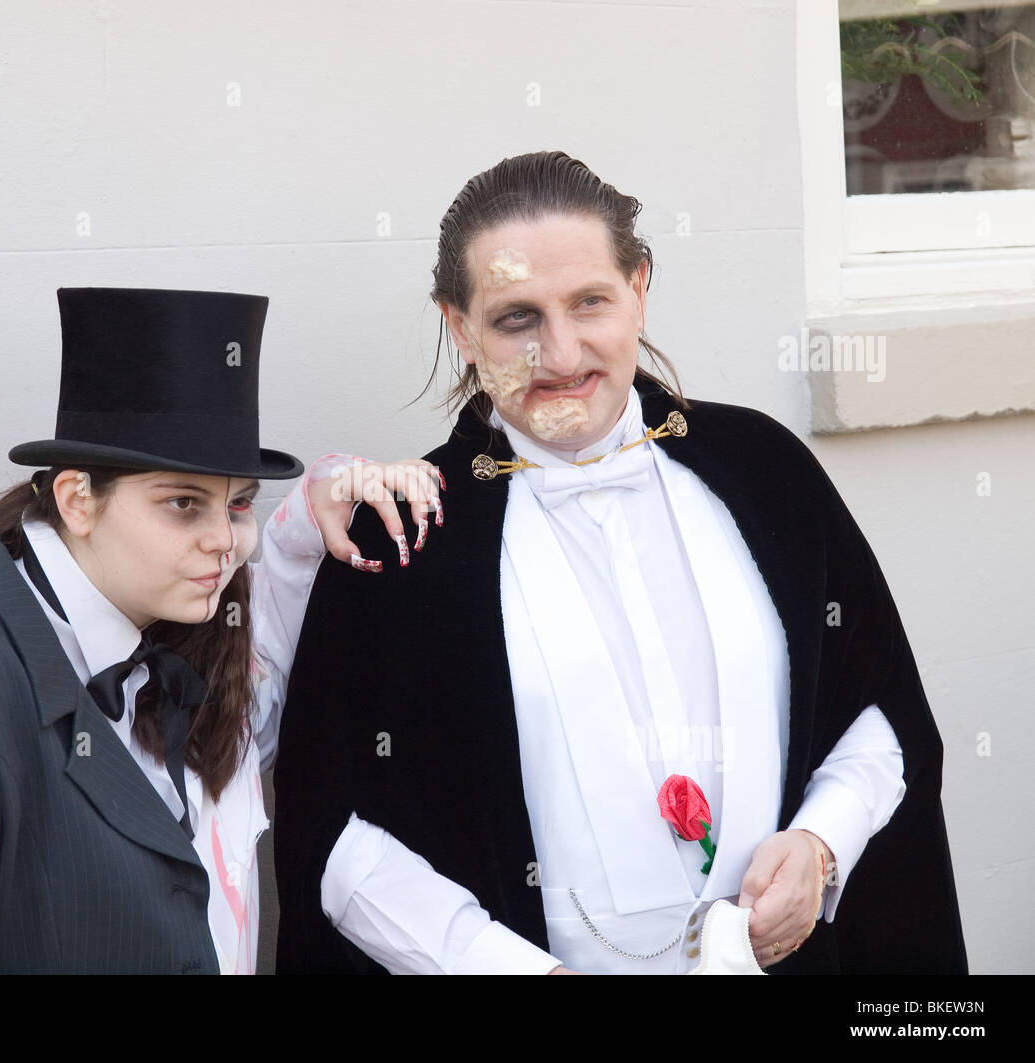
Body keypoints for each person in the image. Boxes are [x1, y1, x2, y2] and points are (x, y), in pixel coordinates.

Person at [273, 152, 968, 974]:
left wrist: (823, 843)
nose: (560, 352)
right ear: (459, 326)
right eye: (515, 318)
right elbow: (337, 835)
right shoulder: (405, 536)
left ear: (639, 289)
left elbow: (882, 708)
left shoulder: (767, 472)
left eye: (590, 302)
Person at [0, 286, 441, 974]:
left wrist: (322, 508)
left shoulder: (189, 624)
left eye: (239, 504)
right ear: (77, 500)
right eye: (183, 503)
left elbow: (263, 700)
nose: (225, 541)